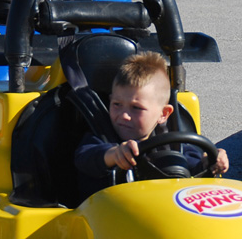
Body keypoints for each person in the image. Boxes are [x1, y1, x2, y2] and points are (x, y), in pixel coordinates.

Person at [75, 52, 229, 199]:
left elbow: (193, 167)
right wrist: (114, 155)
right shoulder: (100, 138)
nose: (123, 115)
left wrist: (210, 162)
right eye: (116, 104)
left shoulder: (173, 144)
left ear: (163, 114)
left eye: (136, 108)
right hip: (107, 217)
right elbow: (86, 158)